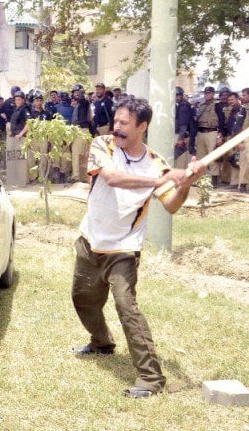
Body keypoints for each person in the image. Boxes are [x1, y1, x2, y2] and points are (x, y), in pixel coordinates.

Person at [71, 96, 206, 399]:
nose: (116, 128)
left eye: (124, 124)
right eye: (116, 121)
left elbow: (171, 205)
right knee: (83, 300)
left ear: (142, 126)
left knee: (126, 306)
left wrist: (185, 184)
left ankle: (151, 379)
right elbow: (112, 178)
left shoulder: (157, 163)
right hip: (91, 239)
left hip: (124, 248)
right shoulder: (103, 145)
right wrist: (162, 178)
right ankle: (101, 343)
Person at [193, 86, 225, 187]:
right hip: (201, 132)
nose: (207, 95)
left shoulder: (217, 105)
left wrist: (220, 135)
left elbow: (221, 120)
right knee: (200, 157)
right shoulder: (201, 105)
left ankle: (214, 180)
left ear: (213, 93)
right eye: (206, 93)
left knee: (213, 156)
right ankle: (200, 179)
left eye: (209, 93)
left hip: (212, 132)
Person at [70, 84, 91, 182]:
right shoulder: (78, 103)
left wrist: (82, 92)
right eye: (74, 92)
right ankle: (80, 177)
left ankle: (77, 177)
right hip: (77, 130)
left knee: (78, 153)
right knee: (78, 153)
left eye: (78, 92)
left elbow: (82, 99)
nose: (76, 94)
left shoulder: (84, 102)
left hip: (82, 130)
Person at [174, 87, 192, 169]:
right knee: (185, 158)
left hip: (182, 136)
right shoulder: (182, 105)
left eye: (178, 95)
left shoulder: (183, 107)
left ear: (181, 95)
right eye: (175, 95)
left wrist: (180, 138)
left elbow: (183, 124)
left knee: (180, 160)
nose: (176, 97)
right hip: (185, 135)